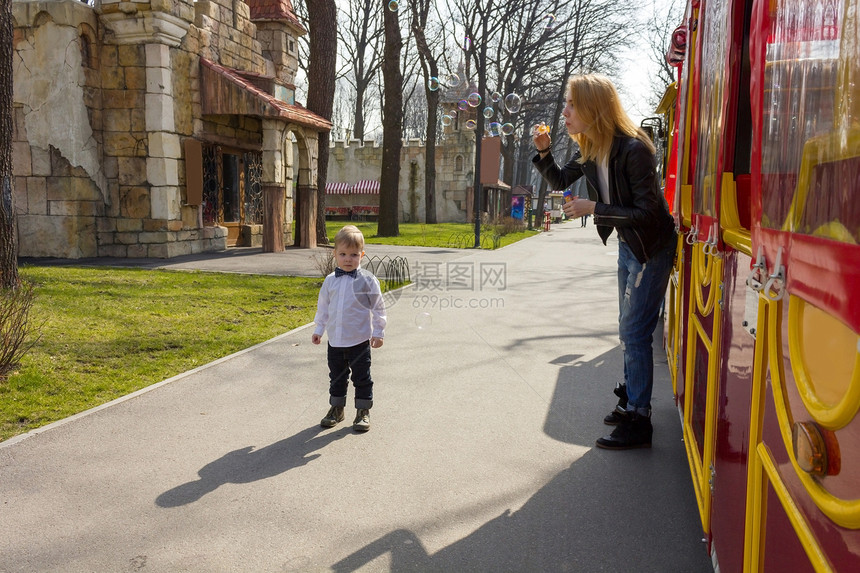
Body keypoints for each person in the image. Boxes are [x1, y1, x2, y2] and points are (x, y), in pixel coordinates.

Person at [532, 74, 676, 449]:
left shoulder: (634, 149)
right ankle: (631, 397)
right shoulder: (594, 148)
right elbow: (562, 180)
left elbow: (649, 213)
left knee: (633, 332)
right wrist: (545, 153)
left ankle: (639, 420)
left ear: (593, 108)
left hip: (651, 250)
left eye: (571, 104)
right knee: (628, 328)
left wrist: (594, 207)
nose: (564, 111)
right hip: (630, 248)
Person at [312, 225, 386, 432]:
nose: (348, 259)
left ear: (362, 255)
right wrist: (319, 329)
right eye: (343, 254)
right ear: (335, 254)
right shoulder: (330, 281)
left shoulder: (368, 281)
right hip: (335, 341)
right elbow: (323, 308)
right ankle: (337, 408)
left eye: (354, 254)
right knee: (336, 377)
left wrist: (378, 332)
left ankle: (363, 411)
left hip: (359, 341)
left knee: (362, 378)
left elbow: (378, 308)